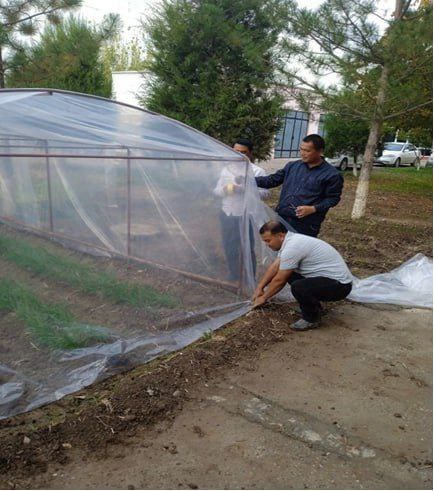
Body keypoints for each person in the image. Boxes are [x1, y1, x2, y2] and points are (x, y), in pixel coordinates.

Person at [251, 220, 353, 331]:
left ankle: (311, 319)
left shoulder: (293, 247)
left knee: (298, 286)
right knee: (290, 274)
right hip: (330, 280)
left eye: (268, 241)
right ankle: (314, 307)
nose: (266, 245)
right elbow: (275, 267)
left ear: (280, 236)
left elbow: (280, 280)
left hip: (340, 286)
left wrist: (264, 298)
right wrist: (259, 287)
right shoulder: (289, 241)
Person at [255, 134, 343, 237]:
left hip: (305, 224)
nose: (303, 153)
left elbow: (333, 199)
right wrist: (248, 180)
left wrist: (313, 208)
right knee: (278, 250)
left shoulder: (331, 175)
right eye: (301, 149)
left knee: (298, 252)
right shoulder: (293, 166)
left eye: (307, 151)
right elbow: (272, 180)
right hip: (282, 218)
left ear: (320, 151)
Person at [214, 138, 270, 281]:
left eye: (243, 152)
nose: (239, 154)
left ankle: (250, 276)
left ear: (250, 153)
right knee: (229, 245)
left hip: (247, 215)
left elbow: (266, 194)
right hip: (227, 212)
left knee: (247, 247)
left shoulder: (257, 171)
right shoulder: (226, 169)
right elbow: (216, 191)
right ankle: (234, 274)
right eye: (236, 151)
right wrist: (226, 189)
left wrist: (246, 190)